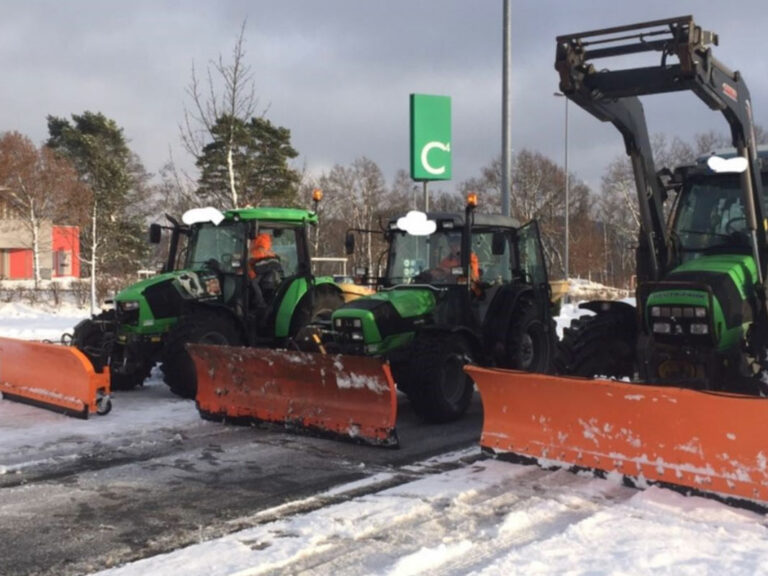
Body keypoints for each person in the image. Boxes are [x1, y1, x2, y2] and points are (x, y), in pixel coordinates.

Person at [248, 233, 283, 309]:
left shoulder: (263, 239)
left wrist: (248, 256)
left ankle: (260, 302)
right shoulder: (259, 239)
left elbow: (261, 252)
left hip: (263, 267)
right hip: (260, 266)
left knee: (253, 283)